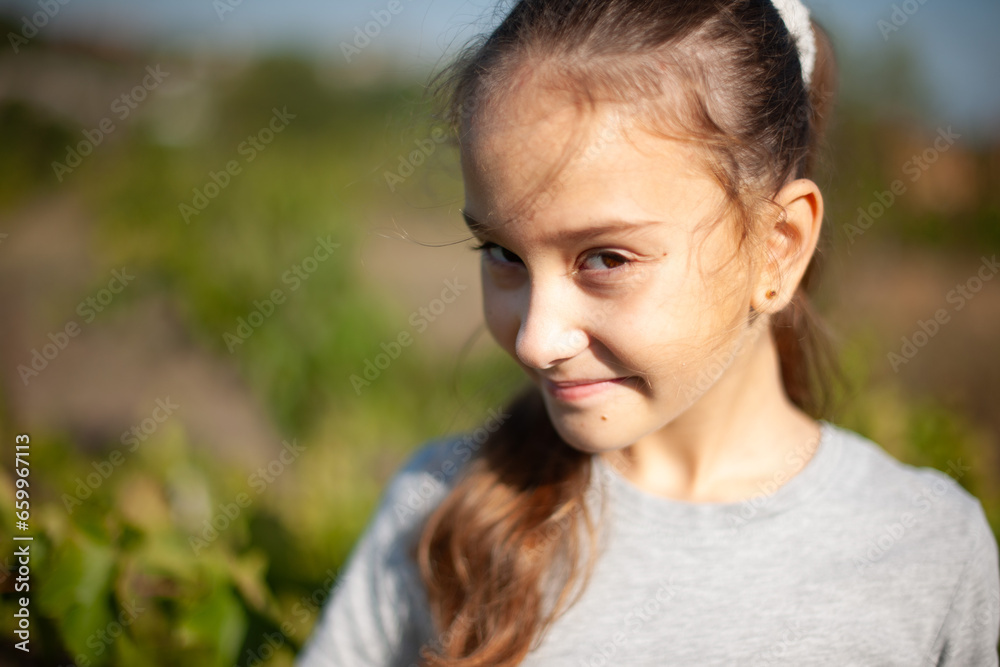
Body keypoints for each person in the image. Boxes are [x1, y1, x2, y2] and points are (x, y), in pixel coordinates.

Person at [298, 0, 1000, 664]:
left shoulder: (926, 548)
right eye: (504, 254)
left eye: (606, 258)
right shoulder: (436, 510)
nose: (537, 341)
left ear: (778, 246)